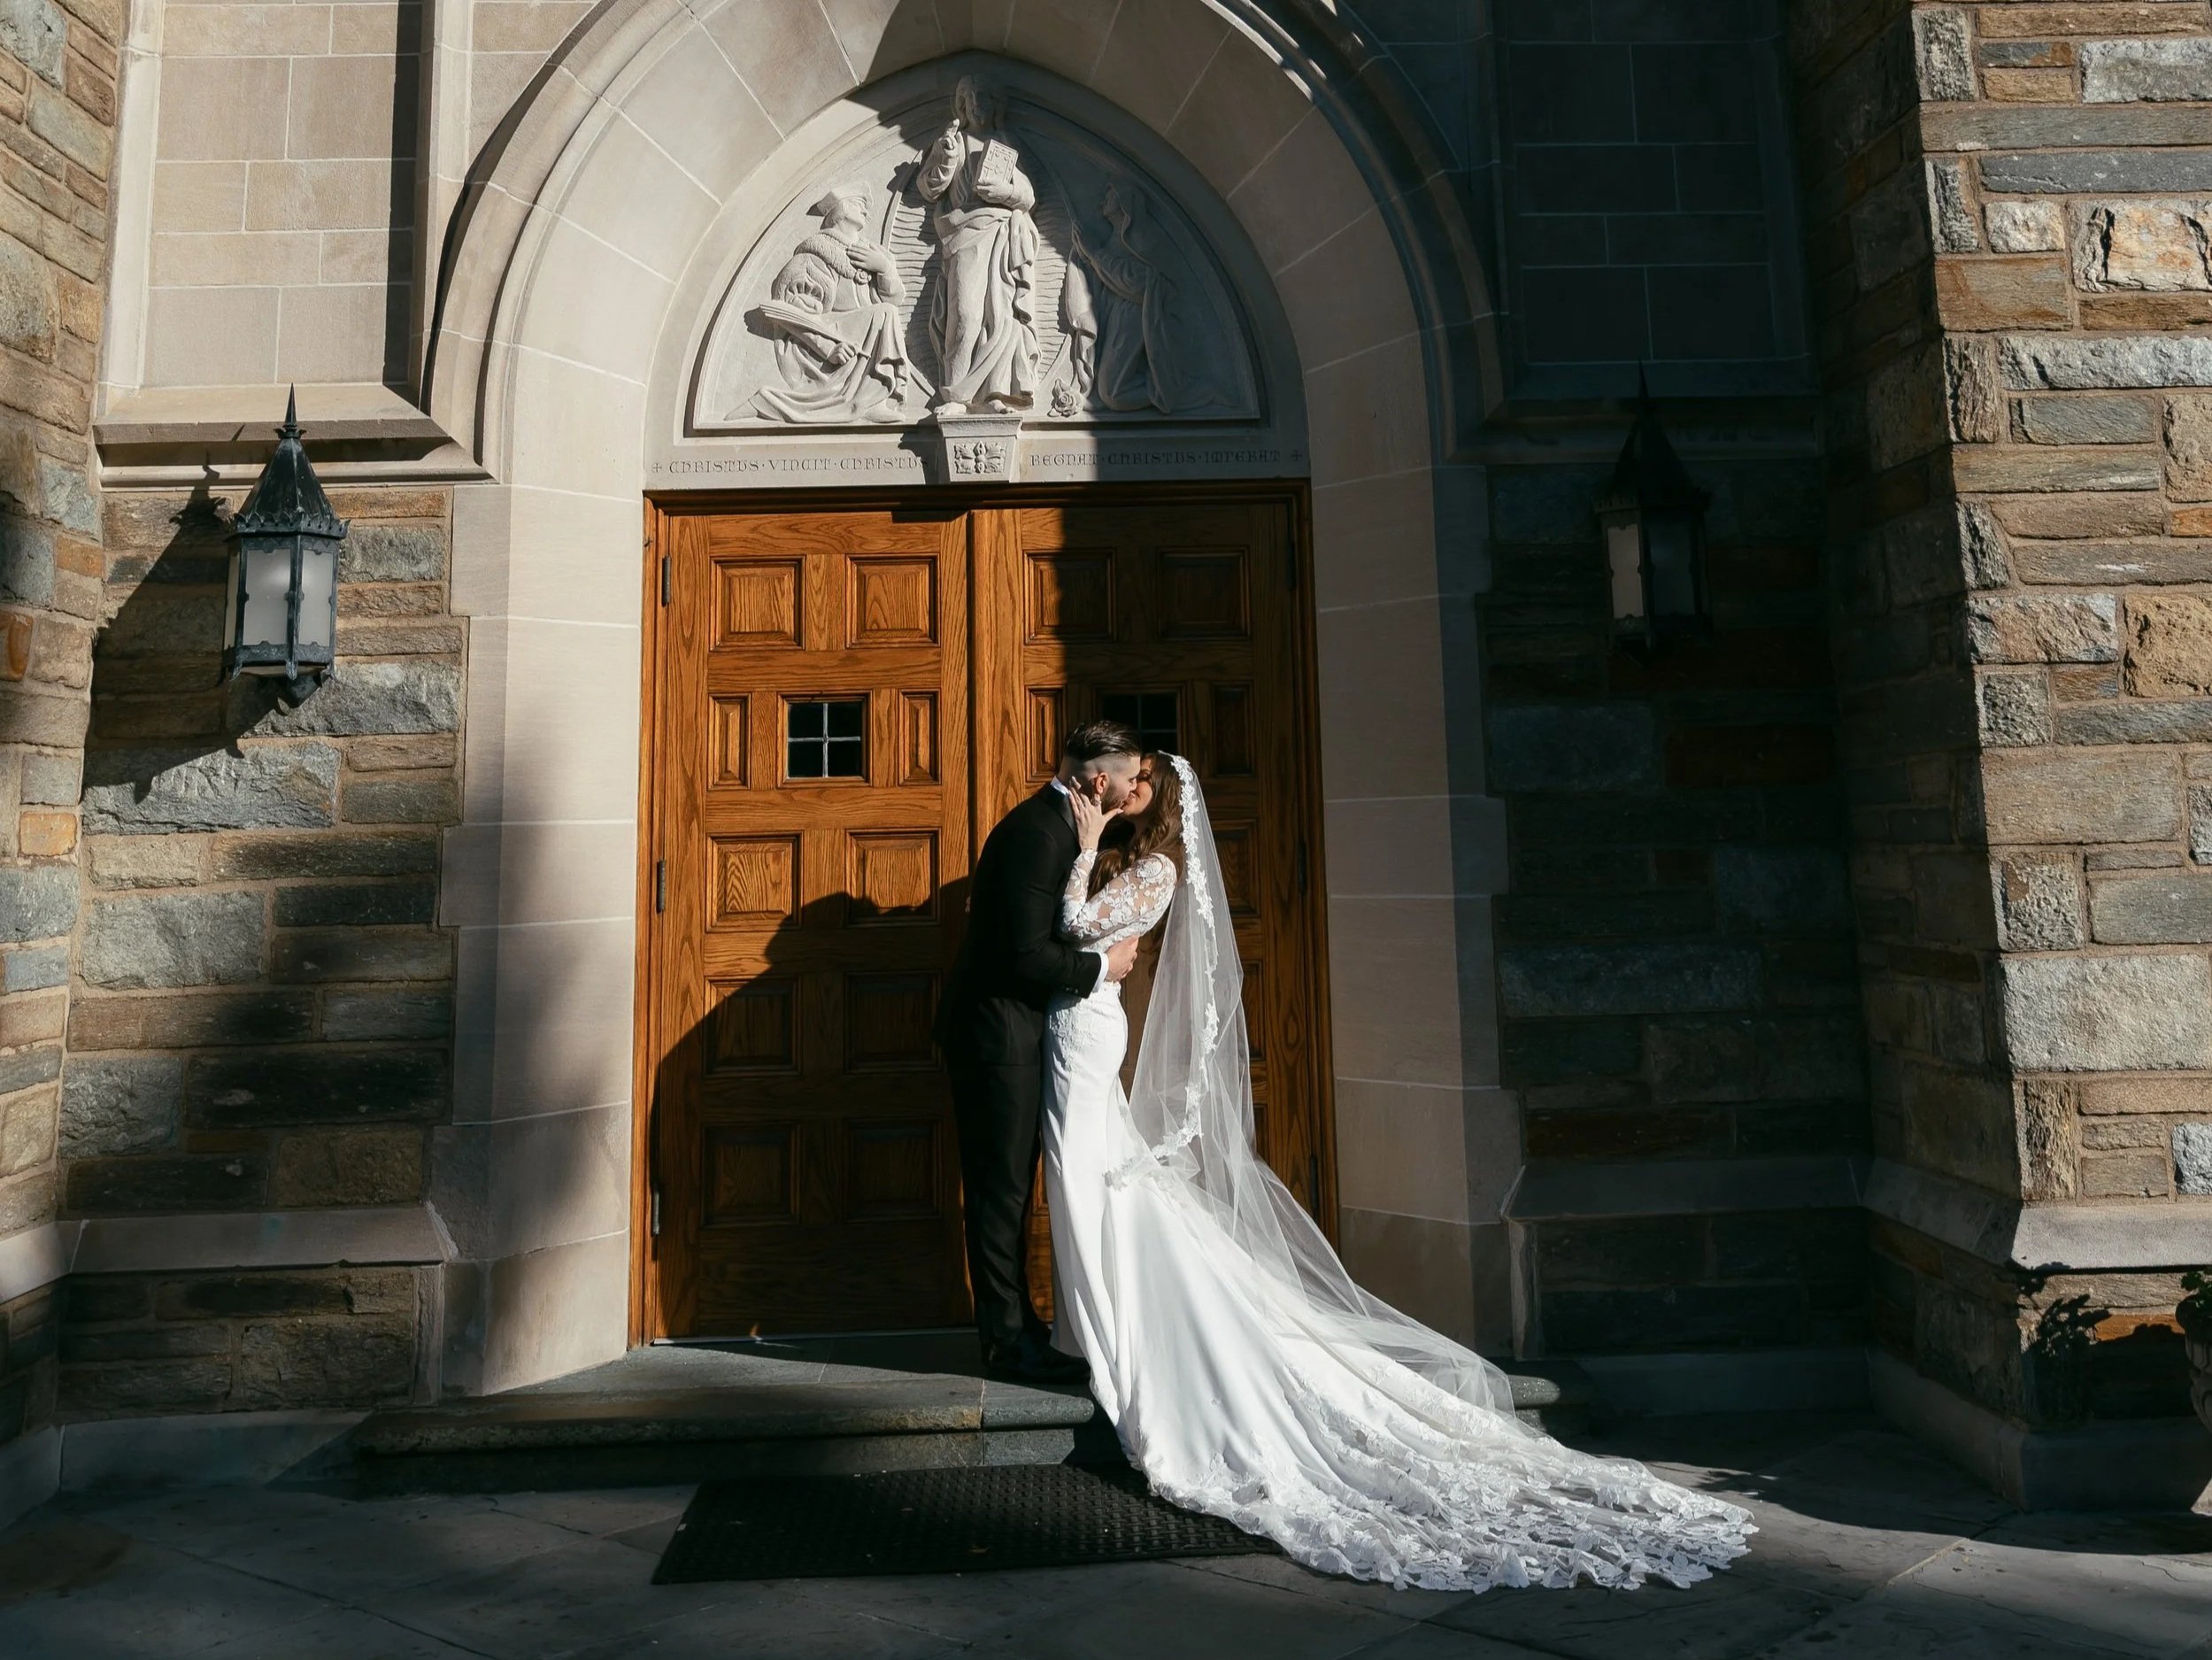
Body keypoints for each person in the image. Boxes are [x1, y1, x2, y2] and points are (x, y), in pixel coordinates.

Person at [1040, 752, 1760, 1591]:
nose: (1120, 790)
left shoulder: (1155, 867)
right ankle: (1089, 1331)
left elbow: (1074, 928)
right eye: (1118, 779)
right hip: (1081, 1032)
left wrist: (1084, 848)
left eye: (1136, 782)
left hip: (1087, 1037)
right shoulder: (1143, 859)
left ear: (1158, 800)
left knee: (1102, 1180)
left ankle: (1113, 1337)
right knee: (1095, 1180)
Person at [936, 720, 1144, 1384]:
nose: (1136, 786)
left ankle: (1022, 1324)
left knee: (1015, 1188)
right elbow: (1020, 953)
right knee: (999, 1191)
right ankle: (1003, 1340)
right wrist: (1100, 967)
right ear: (1097, 778)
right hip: (997, 1036)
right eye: (1130, 776)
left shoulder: (1068, 826)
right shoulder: (1034, 832)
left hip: (1022, 1035)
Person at [915, 76, 1039, 415]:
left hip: (1001, 233)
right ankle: (956, 397)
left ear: (996, 103)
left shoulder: (1005, 143)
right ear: (962, 105)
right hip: (964, 234)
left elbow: (1027, 195)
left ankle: (995, 393)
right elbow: (929, 188)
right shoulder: (956, 142)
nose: (977, 103)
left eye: (984, 96)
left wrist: (1004, 194)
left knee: (1001, 317)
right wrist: (944, 156)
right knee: (966, 315)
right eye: (970, 98)